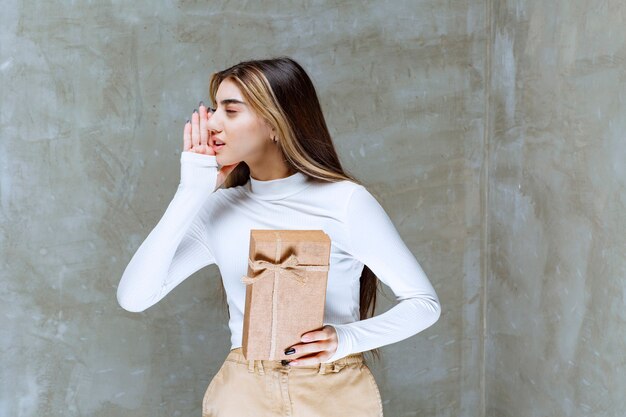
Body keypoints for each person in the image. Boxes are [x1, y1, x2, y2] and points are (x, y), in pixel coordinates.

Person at [116, 56, 441, 417]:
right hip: (243, 393)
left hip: (331, 392)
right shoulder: (218, 209)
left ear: (274, 122)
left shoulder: (346, 202)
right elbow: (134, 297)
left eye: (231, 110)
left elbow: (423, 304)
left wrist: (346, 339)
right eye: (213, 109)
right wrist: (191, 191)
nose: (212, 122)